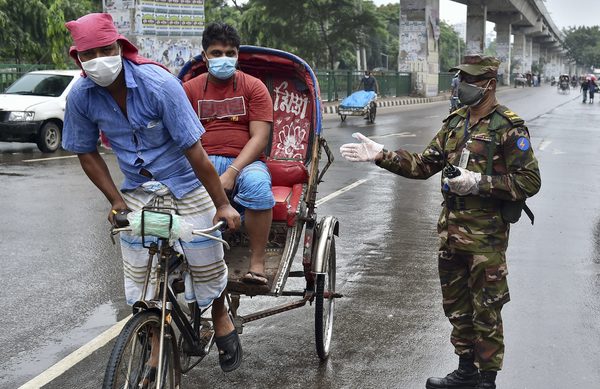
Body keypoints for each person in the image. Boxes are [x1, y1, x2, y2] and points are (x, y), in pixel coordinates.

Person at [340, 55, 541, 389]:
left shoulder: (509, 127)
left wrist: (480, 183)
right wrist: (381, 155)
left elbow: (530, 181)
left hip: (485, 240)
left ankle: (486, 380)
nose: (463, 85)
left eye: (471, 80)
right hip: (450, 234)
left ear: (489, 84)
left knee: (486, 310)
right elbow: (423, 165)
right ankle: (466, 371)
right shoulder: (456, 122)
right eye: (461, 78)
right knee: (457, 307)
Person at [62, 13, 243, 374]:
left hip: (185, 181)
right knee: (139, 272)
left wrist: (222, 204)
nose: (99, 59)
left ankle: (220, 314)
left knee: (205, 256)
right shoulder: (81, 95)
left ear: (120, 47)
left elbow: (195, 151)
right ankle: (156, 338)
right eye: (89, 54)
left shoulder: (158, 84)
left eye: (106, 49)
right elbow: (85, 151)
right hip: (137, 188)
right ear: (78, 59)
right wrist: (116, 200)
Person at [182, 22, 275, 288]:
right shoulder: (189, 90)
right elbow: (185, 138)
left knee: (258, 186)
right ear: (205, 56)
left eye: (229, 53)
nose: (224, 59)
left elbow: (259, 138)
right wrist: (210, 171)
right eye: (216, 53)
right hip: (203, 158)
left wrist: (232, 172)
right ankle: (193, 258)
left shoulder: (254, 87)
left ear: (237, 55)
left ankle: (257, 264)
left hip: (246, 162)